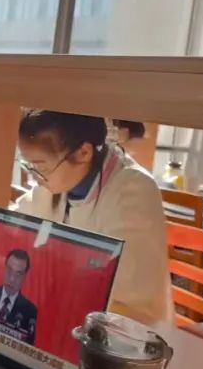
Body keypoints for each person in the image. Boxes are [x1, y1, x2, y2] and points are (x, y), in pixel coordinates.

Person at [15, 110, 173, 326]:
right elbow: (20, 220)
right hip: (70, 311)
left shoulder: (133, 190)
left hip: (124, 327)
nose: (35, 177)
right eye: (29, 166)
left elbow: (122, 288)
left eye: (41, 168)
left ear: (83, 153)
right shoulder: (59, 179)